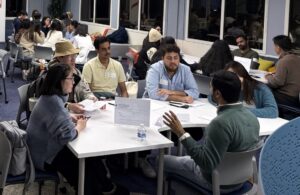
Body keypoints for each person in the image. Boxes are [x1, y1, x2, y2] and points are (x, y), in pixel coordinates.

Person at [26, 64, 121, 195]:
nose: (73, 81)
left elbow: (55, 117)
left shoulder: (49, 98)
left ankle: (106, 187)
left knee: (91, 158)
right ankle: (95, 189)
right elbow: (68, 136)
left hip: (43, 148)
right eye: (70, 78)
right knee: (85, 167)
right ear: (60, 81)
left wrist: (70, 116)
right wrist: (80, 126)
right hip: (45, 155)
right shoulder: (54, 103)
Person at [163, 70, 259, 193]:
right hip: (240, 181)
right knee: (185, 159)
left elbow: (206, 163)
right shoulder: (252, 117)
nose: (209, 89)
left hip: (216, 182)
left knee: (161, 161)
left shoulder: (220, 123)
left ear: (217, 94)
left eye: (211, 87)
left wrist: (181, 133)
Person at [48, 40, 97, 113]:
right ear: (60, 58)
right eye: (70, 56)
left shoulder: (76, 72)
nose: (74, 59)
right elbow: (49, 103)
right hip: (59, 113)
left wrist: (91, 97)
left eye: (74, 56)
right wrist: (69, 106)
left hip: (75, 110)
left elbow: (85, 90)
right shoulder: (51, 75)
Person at [265, 35, 300, 108]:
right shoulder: (297, 58)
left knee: (260, 89)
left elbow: (277, 83)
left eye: (274, 46)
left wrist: (268, 77)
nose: (274, 48)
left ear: (278, 47)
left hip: (286, 97)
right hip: (296, 96)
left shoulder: (283, 61)